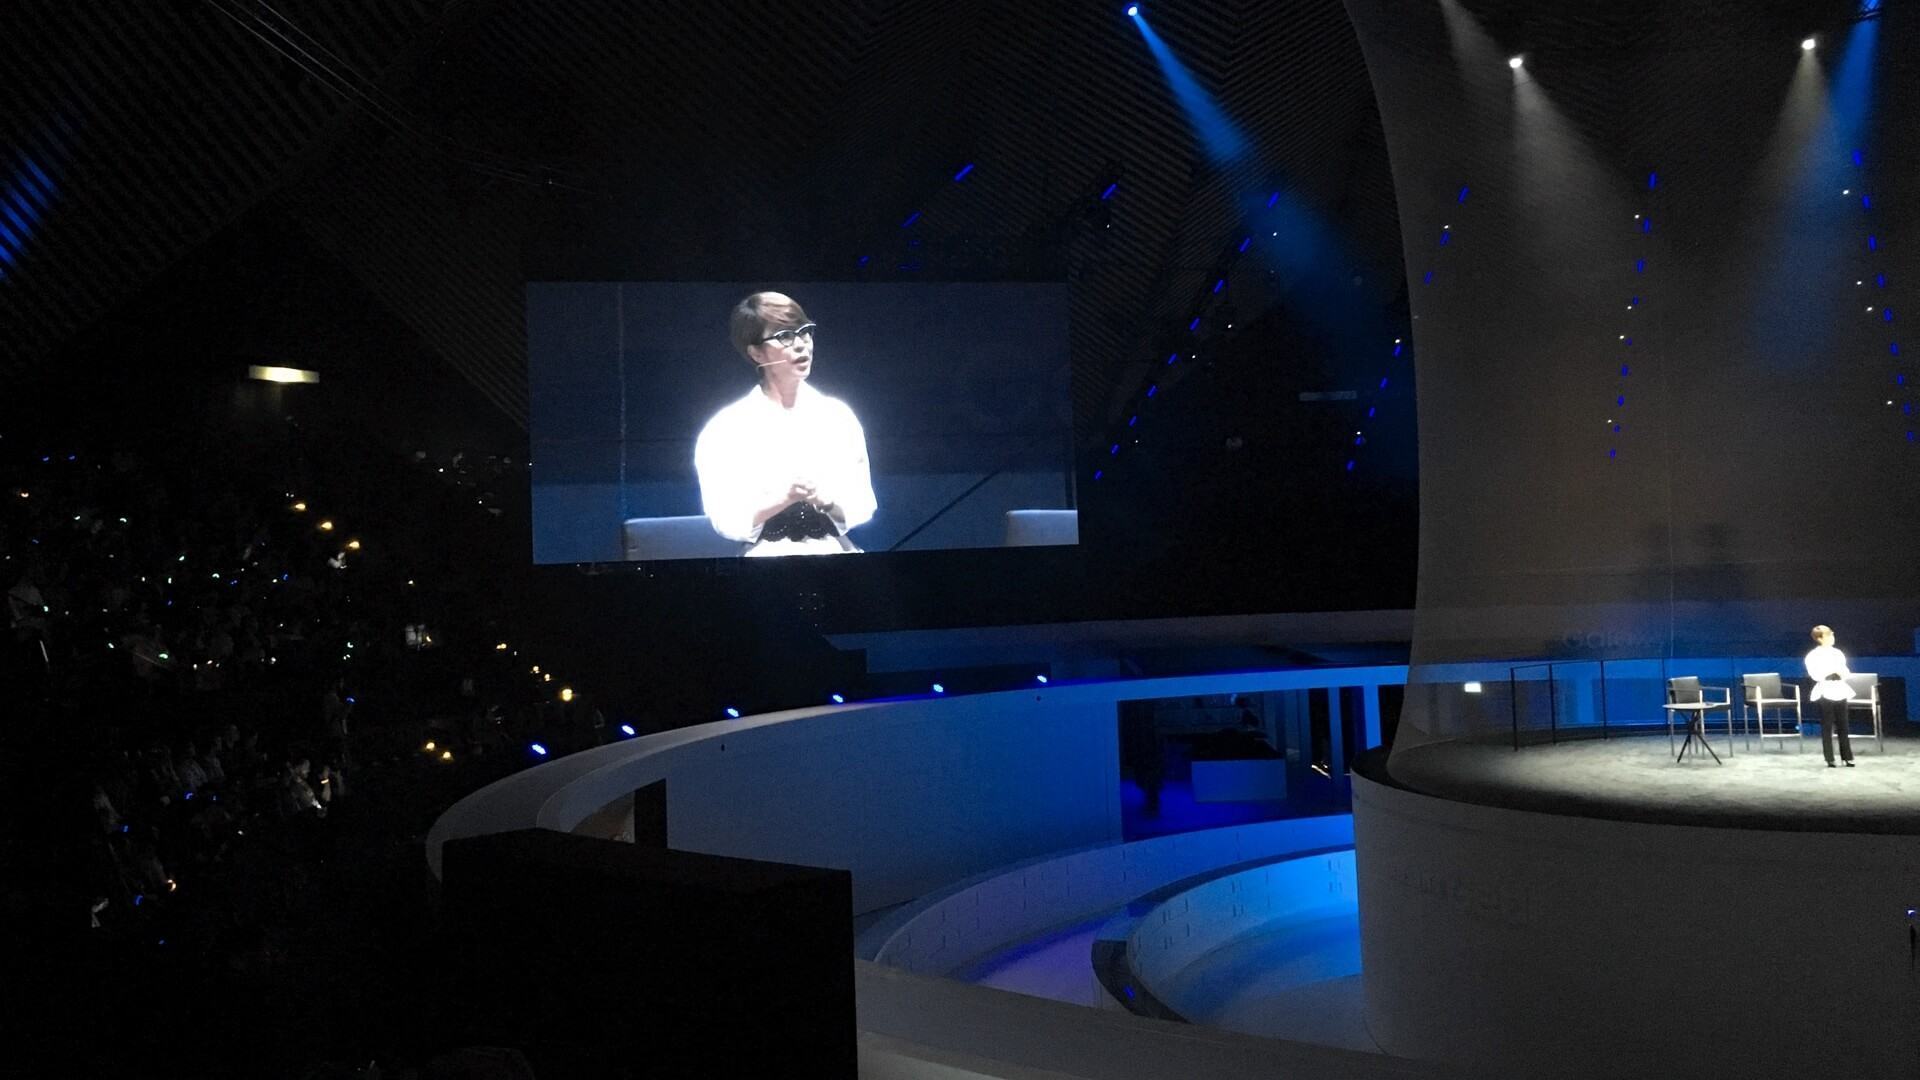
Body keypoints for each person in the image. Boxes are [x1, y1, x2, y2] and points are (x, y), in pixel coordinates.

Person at [694, 291, 877, 556]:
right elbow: (726, 518)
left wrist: (825, 501)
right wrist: (785, 498)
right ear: (756, 353)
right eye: (785, 336)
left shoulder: (837, 416)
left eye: (805, 332)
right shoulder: (727, 428)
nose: (802, 344)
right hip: (766, 555)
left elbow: (862, 503)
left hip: (834, 550)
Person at [1804, 624, 1856, 768]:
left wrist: (1841, 673)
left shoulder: (1837, 653)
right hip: (1825, 689)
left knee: (1843, 725)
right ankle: (1830, 758)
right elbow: (1814, 673)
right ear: (1820, 638)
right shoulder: (1813, 655)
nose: (1832, 637)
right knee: (1827, 726)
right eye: (1829, 635)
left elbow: (1845, 670)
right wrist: (1830, 671)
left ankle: (1847, 757)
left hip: (1839, 688)